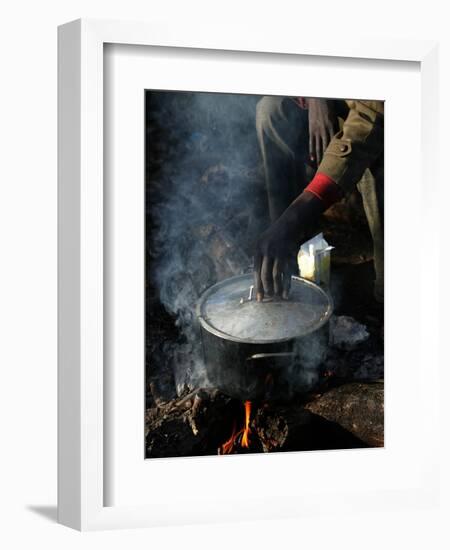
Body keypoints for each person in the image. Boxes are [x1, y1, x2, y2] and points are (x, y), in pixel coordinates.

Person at [254, 96, 384, 302]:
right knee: (271, 112)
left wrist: (300, 212)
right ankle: (283, 253)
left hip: (376, 117)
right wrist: (316, 95)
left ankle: (388, 290)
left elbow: (372, 117)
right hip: (332, 101)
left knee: (379, 153)